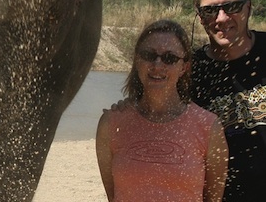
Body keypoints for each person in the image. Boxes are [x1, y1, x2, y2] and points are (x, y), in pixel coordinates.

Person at [96, 19, 228, 202]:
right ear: (136, 60)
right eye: (149, 55)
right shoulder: (111, 124)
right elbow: (113, 196)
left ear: (184, 67)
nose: (157, 65)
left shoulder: (208, 127)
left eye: (169, 58)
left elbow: (213, 199)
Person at [190, 0, 266, 201]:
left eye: (232, 6)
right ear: (200, 17)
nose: (221, 18)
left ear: (248, 8)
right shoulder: (188, 72)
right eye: (210, 10)